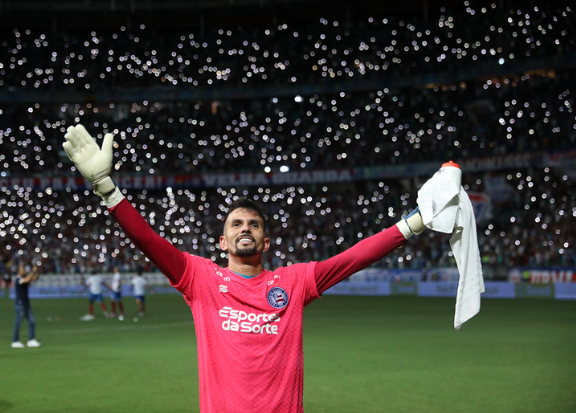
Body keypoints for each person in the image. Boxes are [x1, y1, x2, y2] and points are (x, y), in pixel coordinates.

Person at [63, 124, 433, 412]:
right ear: (222, 242)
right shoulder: (200, 277)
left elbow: (353, 258)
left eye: (253, 225)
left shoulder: (294, 281)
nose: (245, 229)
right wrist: (106, 187)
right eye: (236, 224)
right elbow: (148, 240)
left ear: (266, 242)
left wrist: (413, 223)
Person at [11, 264, 41, 348]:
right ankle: (15, 341)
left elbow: (34, 278)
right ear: (18, 272)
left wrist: (37, 271)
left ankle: (31, 340)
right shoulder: (17, 280)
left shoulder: (22, 279)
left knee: (32, 322)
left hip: (26, 304)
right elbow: (27, 280)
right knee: (18, 323)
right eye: (22, 269)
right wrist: (33, 271)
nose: (24, 270)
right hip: (20, 305)